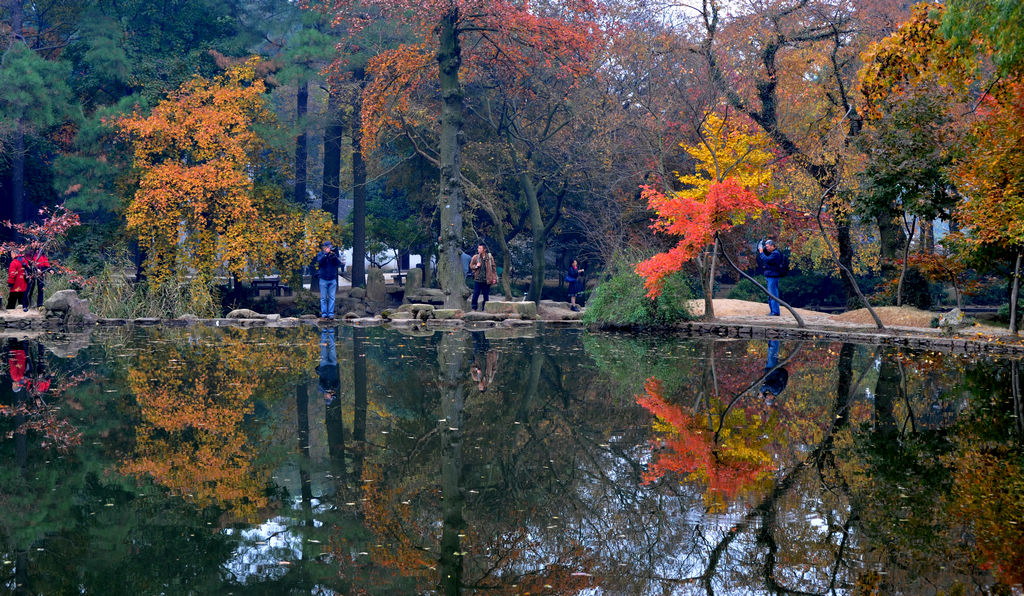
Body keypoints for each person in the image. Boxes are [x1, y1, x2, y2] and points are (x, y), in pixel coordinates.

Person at [313, 241, 343, 319]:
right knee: (323, 298)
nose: (330, 249)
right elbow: (320, 262)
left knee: (332, 297)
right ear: (324, 247)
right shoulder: (320, 254)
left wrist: (334, 256)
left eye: (330, 247)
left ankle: (330, 314)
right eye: (328, 247)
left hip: (332, 279)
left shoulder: (333, 255)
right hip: (323, 279)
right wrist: (326, 254)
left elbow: (338, 263)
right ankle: (324, 314)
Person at [756, 238, 784, 316]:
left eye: (768, 246)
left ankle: (775, 312)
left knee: (773, 294)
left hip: (773, 276)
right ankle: (773, 311)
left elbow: (766, 259)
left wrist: (761, 252)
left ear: (772, 246)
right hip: (770, 276)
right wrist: (760, 245)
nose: (766, 248)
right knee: (770, 295)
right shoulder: (772, 252)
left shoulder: (776, 253)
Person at [758, 340, 789, 405]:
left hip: (770, 371)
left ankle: (771, 339)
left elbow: (764, 390)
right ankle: (774, 338)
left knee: (770, 353)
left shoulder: (771, 392)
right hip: (774, 370)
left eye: (766, 398)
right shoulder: (775, 390)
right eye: (768, 398)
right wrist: (761, 391)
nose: (766, 397)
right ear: (773, 397)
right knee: (772, 354)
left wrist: (761, 394)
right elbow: (767, 386)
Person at [469, 243, 497, 311]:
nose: (478, 249)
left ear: (484, 249)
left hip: (486, 280)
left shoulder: (489, 258)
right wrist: (476, 266)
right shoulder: (476, 257)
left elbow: (493, 268)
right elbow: (471, 266)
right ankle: (474, 308)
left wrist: (494, 278)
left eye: (480, 248)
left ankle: (484, 309)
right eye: (478, 248)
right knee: (475, 295)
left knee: (486, 296)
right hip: (477, 279)